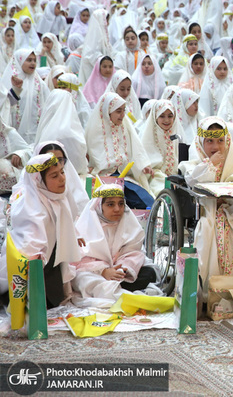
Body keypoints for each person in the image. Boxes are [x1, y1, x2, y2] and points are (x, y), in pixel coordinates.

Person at [180, 117, 233, 295]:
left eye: (220, 141)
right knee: (208, 228)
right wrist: (210, 165)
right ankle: (211, 287)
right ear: (201, 142)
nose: (216, 146)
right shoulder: (195, 160)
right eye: (210, 141)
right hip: (208, 210)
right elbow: (192, 179)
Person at [8, 153, 83, 308]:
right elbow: (28, 245)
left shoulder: (57, 198)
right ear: (39, 180)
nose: (62, 179)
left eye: (62, 172)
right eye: (54, 176)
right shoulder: (29, 205)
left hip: (51, 264)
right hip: (32, 268)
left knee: (55, 301)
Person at [72, 184, 158, 306]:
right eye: (110, 204)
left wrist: (123, 269)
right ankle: (123, 294)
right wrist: (104, 271)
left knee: (149, 273)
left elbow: (134, 252)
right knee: (82, 278)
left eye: (121, 204)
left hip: (120, 274)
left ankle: (115, 291)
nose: (117, 209)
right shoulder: (85, 226)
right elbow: (80, 259)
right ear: (99, 206)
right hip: (96, 273)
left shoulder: (129, 223)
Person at [85, 92, 154, 209]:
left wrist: (142, 165)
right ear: (107, 112)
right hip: (101, 179)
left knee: (148, 201)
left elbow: (135, 149)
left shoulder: (124, 127)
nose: (122, 115)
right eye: (118, 111)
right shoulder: (94, 131)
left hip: (123, 177)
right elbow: (87, 159)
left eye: (124, 110)